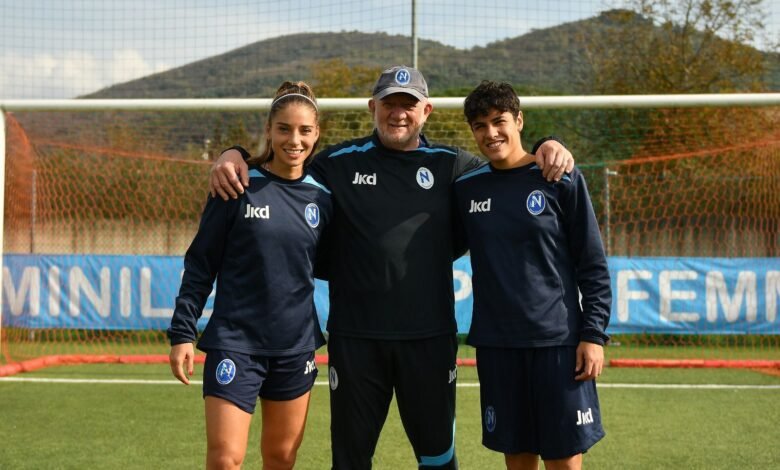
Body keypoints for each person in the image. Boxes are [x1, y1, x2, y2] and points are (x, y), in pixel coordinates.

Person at [209, 66, 574, 469]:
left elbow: (507, 164)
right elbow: (284, 165)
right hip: (356, 342)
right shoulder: (337, 163)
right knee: (350, 461)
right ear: (373, 107)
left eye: (409, 105)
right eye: (389, 104)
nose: (398, 113)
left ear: (426, 111)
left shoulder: (453, 166)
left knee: (438, 460)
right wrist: (234, 154)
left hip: (430, 341)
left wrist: (549, 144)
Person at [167, 81, 332, 470]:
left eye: (304, 130)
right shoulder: (235, 184)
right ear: (269, 130)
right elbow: (201, 263)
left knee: (280, 458)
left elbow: (336, 266)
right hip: (235, 342)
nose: (294, 140)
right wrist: (183, 332)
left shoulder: (324, 197)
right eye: (284, 129)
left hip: (295, 347)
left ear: (316, 134)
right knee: (225, 459)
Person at [453, 80, 611, 470]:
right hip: (498, 346)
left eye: (499, 121)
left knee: (563, 461)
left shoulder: (560, 178)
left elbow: (592, 263)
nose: (491, 133)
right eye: (480, 126)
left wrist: (593, 335)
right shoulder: (466, 189)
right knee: (518, 460)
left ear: (519, 121)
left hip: (557, 344)